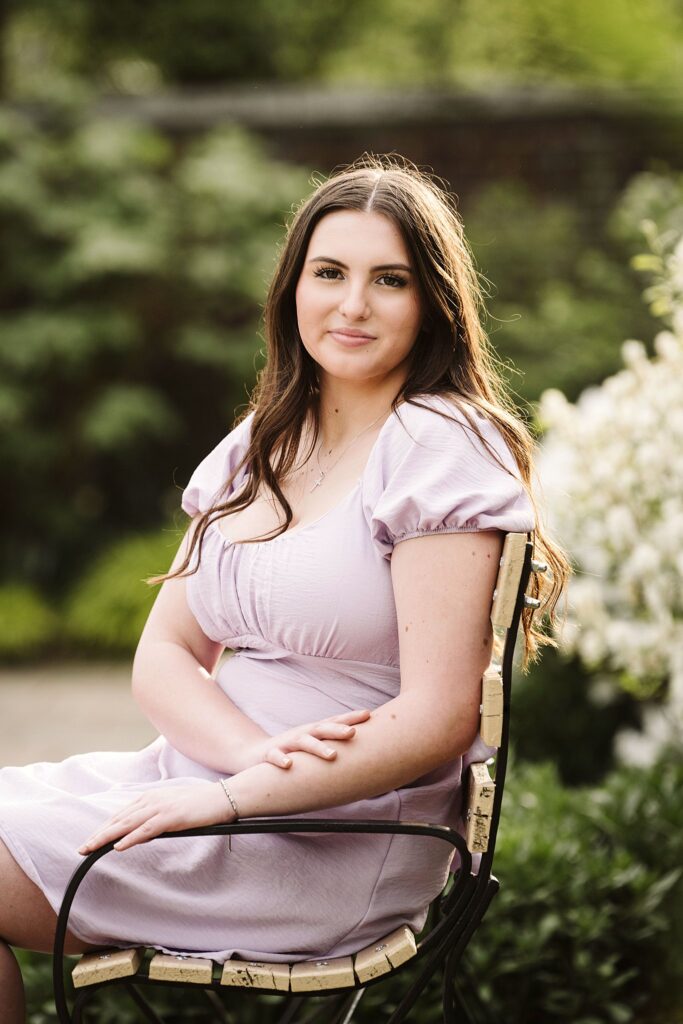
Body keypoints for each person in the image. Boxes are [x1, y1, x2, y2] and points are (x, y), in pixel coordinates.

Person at [0, 153, 569, 1022]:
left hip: (333, 836)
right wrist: (244, 760)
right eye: (329, 272)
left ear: (432, 304)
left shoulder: (437, 446)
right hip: (195, 786)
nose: (352, 304)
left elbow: (438, 716)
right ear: (291, 287)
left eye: (390, 280)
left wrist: (237, 799)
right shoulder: (260, 441)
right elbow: (165, 653)